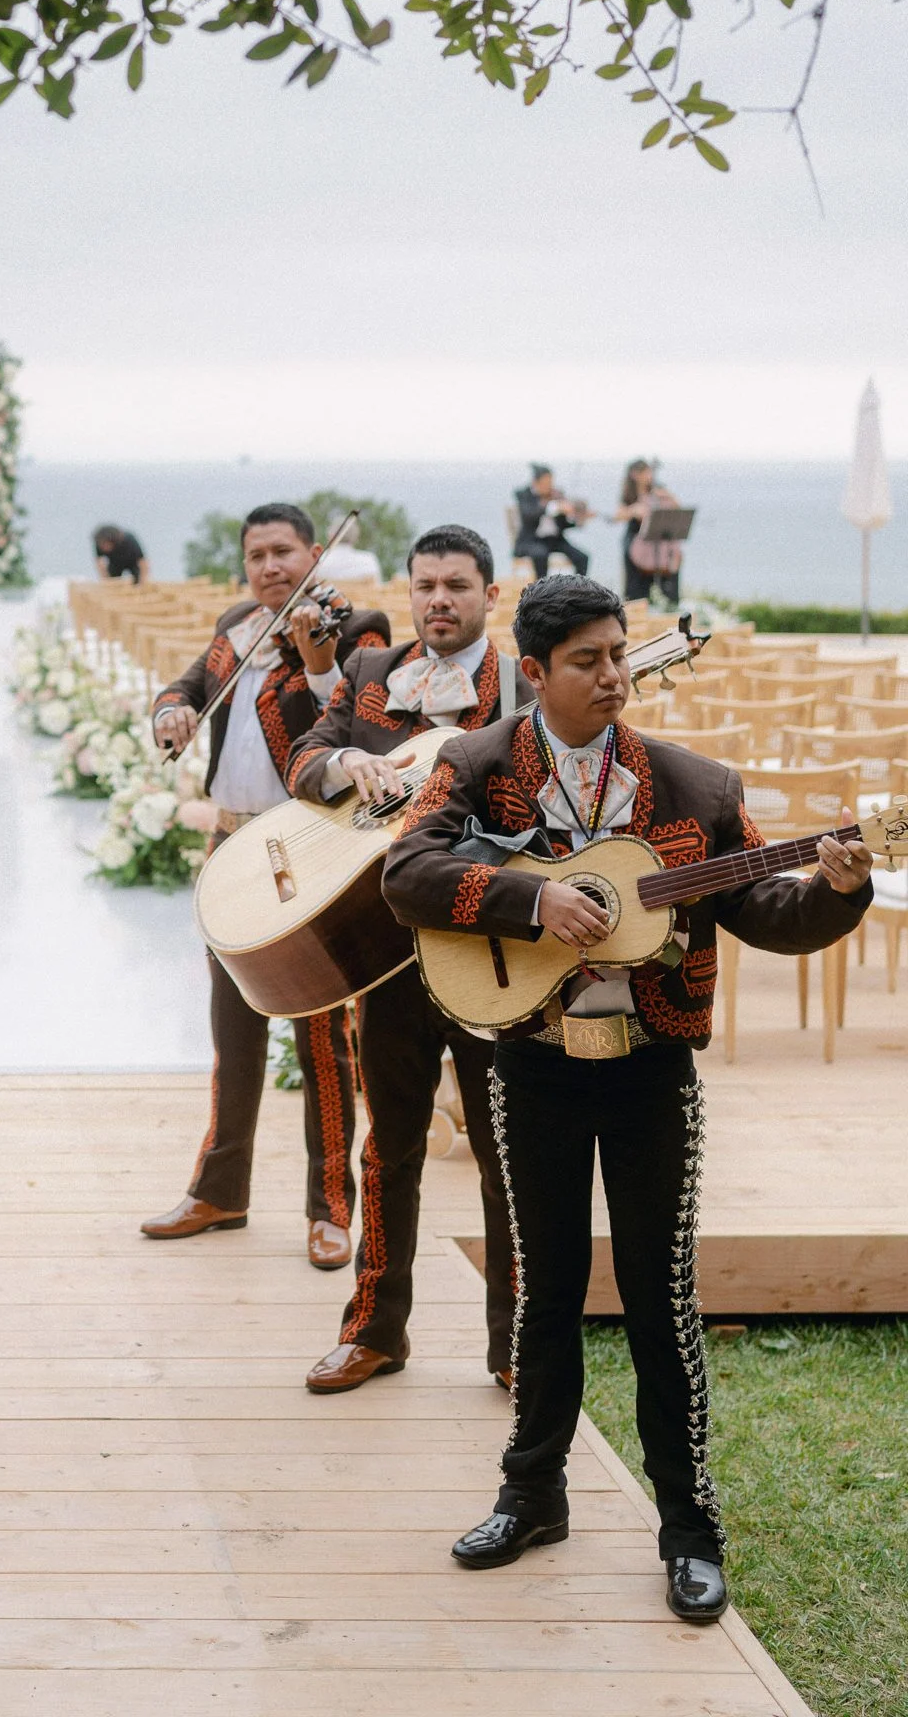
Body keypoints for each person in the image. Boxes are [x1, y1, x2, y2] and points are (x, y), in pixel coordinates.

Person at [382, 573, 872, 1622]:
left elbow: (767, 910)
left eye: (619, 654)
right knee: (548, 1291)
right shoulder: (476, 764)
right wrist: (531, 896)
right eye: (589, 660)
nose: (614, 675)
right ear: (535, 672)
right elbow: (407, 871)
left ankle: (690, 1530)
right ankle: (532, 1496)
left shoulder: (695, 785)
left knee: (661, 1298)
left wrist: (837, 887)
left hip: (655, 1072)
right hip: (535, 1064)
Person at [283, 523, 519, 1392]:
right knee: (390, 1148)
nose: (439, 601)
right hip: (386, 953)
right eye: (425, 586)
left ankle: (515, 1344)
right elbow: (304, 758)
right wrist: (348, 760)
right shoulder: (372, 674)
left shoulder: (527, 686)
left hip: (497, 954)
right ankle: (376, 1329)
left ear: (490, 596)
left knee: (509, 1153)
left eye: (457, 586)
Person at [141, 503, 389, 1265]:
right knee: (233, 1031)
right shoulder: (238, 623)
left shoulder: (357, 629)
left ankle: (330, 1208)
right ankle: (221, 1189)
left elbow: (351, 727)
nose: (271, 568)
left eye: (284, 552)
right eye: (258, 556)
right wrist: (174, 713)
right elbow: (183, 687)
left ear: (314, 553)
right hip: (230, 841)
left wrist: (316, 660)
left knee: (318, 1035)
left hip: (301, 846)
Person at [620, 460, 684, 606]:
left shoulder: (658, 490)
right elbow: (618, 514)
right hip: (637, 541)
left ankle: (671, 604)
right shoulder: (630, 493)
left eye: (649, 472)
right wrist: (634, 510)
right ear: (635, 474)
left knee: (672, 569)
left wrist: (669, 496)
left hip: (659, 542)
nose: (649, 476)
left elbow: (677, 508)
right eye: (645, 473)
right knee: (636, 585)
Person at [511, 466, 591, 577]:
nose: (549, 486)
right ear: (536, 482)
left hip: (555, 541)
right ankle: (542, 590)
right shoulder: (524, 495)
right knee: (540, 555)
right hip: (531, 541)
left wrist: (576, 518)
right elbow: (528, 515)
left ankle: (578, 589)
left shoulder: (557, 495)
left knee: (582, 557)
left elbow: (564, 524)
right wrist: (553, 507)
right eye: (546, 482)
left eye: (551, 482)